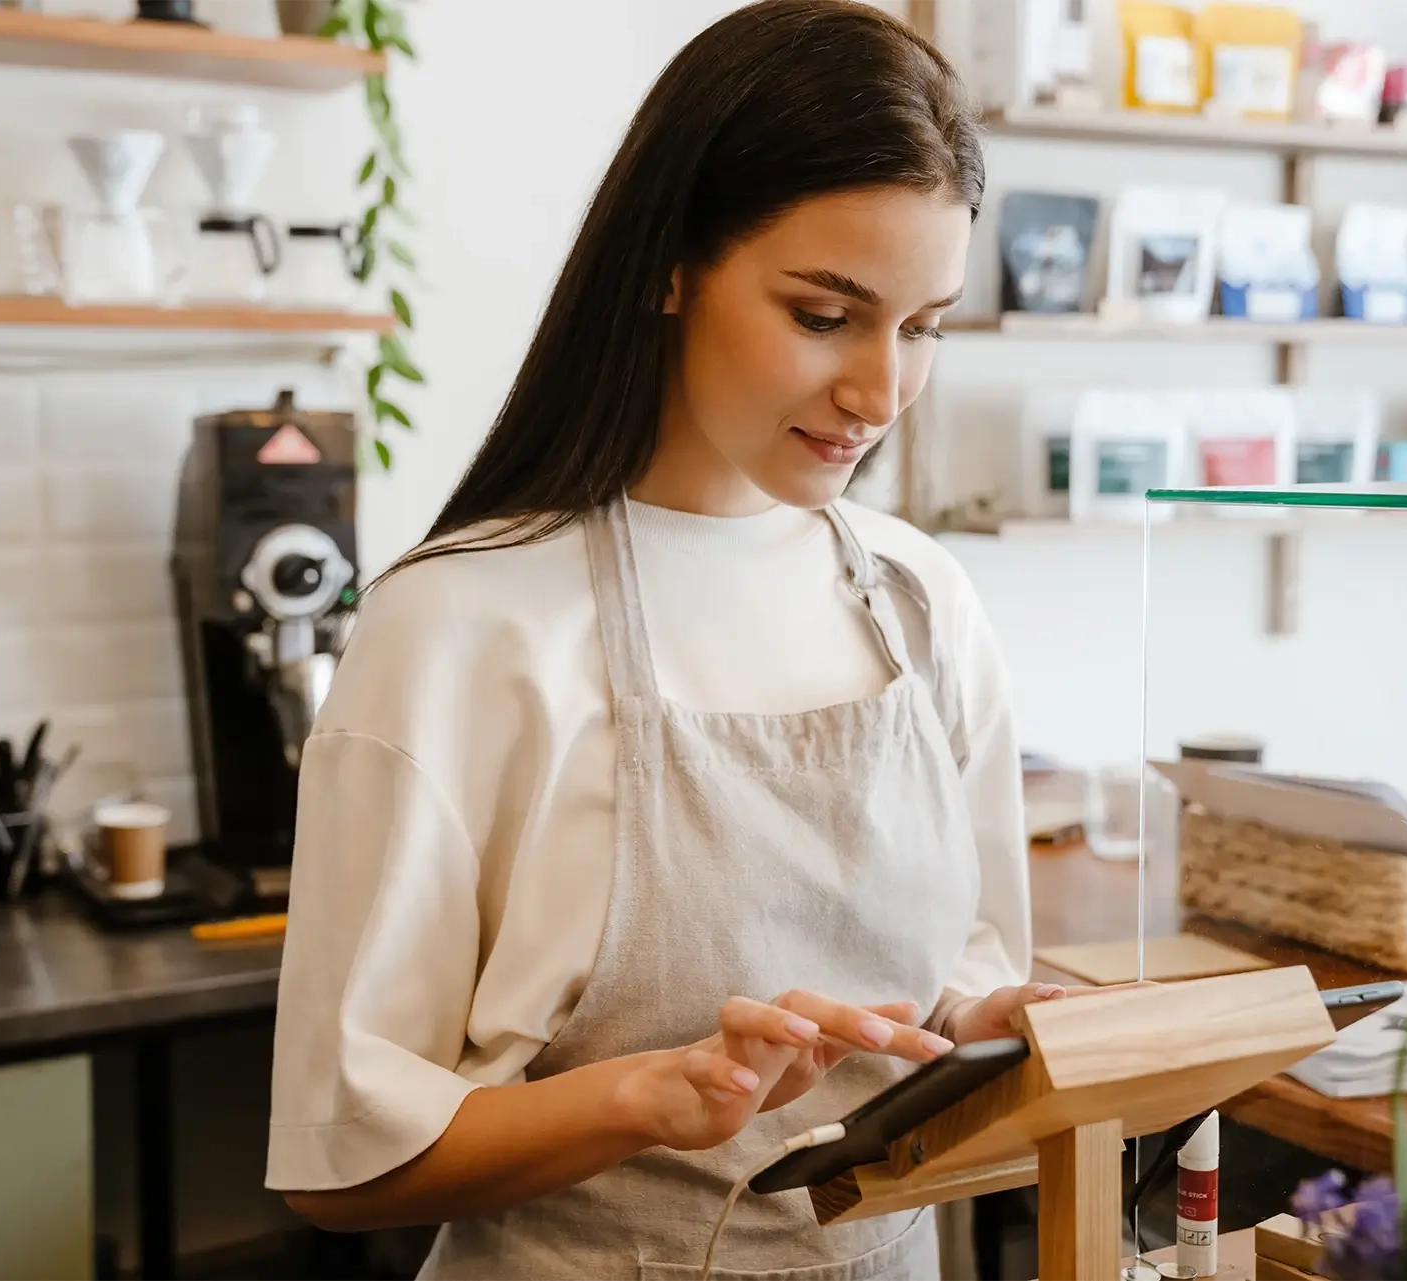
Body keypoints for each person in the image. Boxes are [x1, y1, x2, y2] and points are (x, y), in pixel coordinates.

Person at [267, 2, 1070, 1276]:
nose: (880, 393)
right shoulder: (465, 625)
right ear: (672, 263)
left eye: (921, 329)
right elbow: (342, 1163)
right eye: (823, 315)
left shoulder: (921, 601)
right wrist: (645, 1102)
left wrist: (986, 1022)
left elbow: (954, 980)